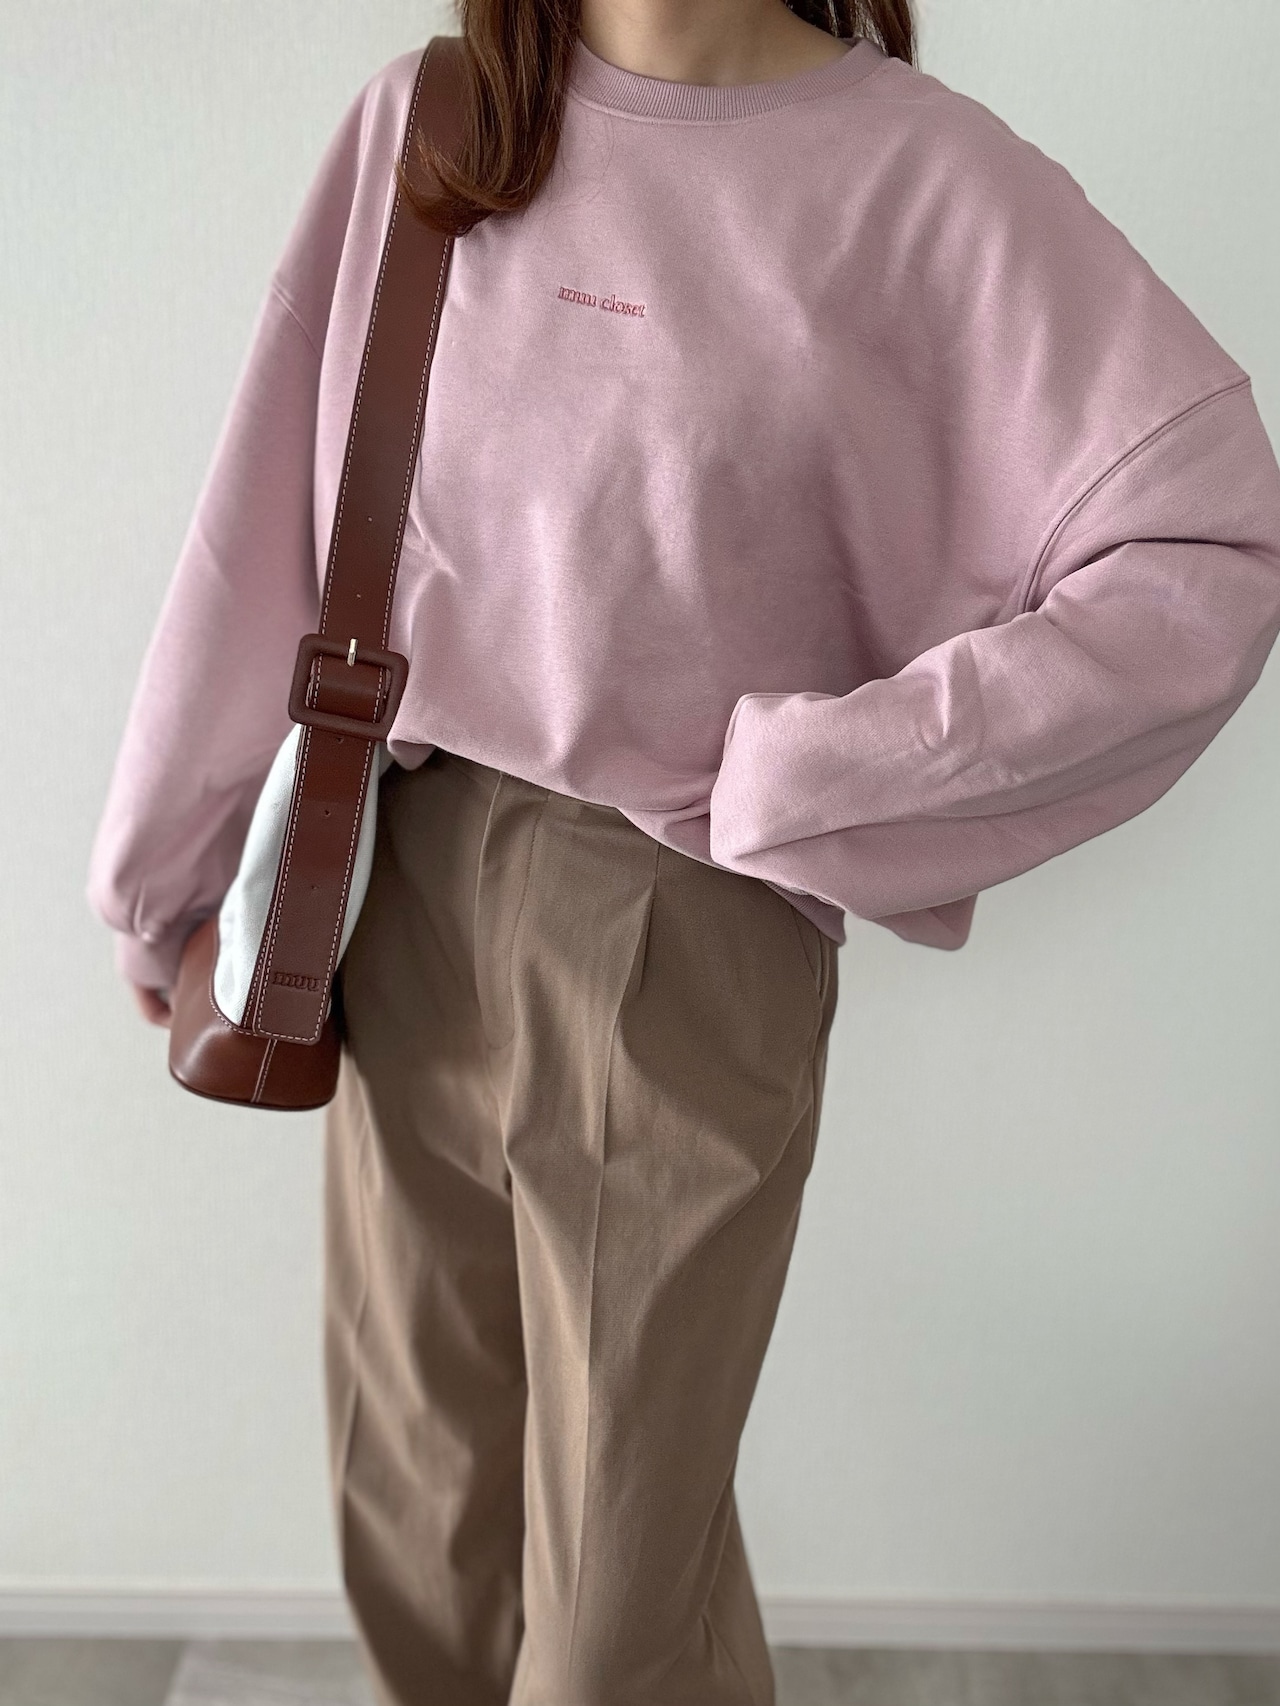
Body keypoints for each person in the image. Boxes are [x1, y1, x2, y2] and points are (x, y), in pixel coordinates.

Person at [86, 1, 1280, 1701]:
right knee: (420, 1515)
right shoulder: (440, 125)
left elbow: (1206, 549)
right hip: (396, 866)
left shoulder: (928, 183)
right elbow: (266, 526)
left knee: (613, 1611)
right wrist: (170, 871)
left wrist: (820, 776)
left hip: (680, 925)